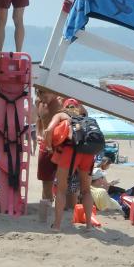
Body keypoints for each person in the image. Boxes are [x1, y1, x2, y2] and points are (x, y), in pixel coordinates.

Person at [45, 99, 99, 231]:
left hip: (70, 152)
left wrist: (49, 147)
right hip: (88, 152)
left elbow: (49, 130)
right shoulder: (85, 118)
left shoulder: (61, 115)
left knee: (61, 190)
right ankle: (88, 225)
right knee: (86, 190)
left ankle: (57, 225)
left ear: (64, 107)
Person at [34, 87, 62, 220]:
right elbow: (39, 120)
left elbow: (82, 113)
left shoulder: (62, 103)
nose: (40, 95)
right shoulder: (39, 102)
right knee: (46, 180)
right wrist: (38, 134)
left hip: (61, 146)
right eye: (38, 92)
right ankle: (47, 210)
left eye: (43, 92)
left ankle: (68, 211)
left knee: (66, 181)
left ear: (53, 90)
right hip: (45, 145)